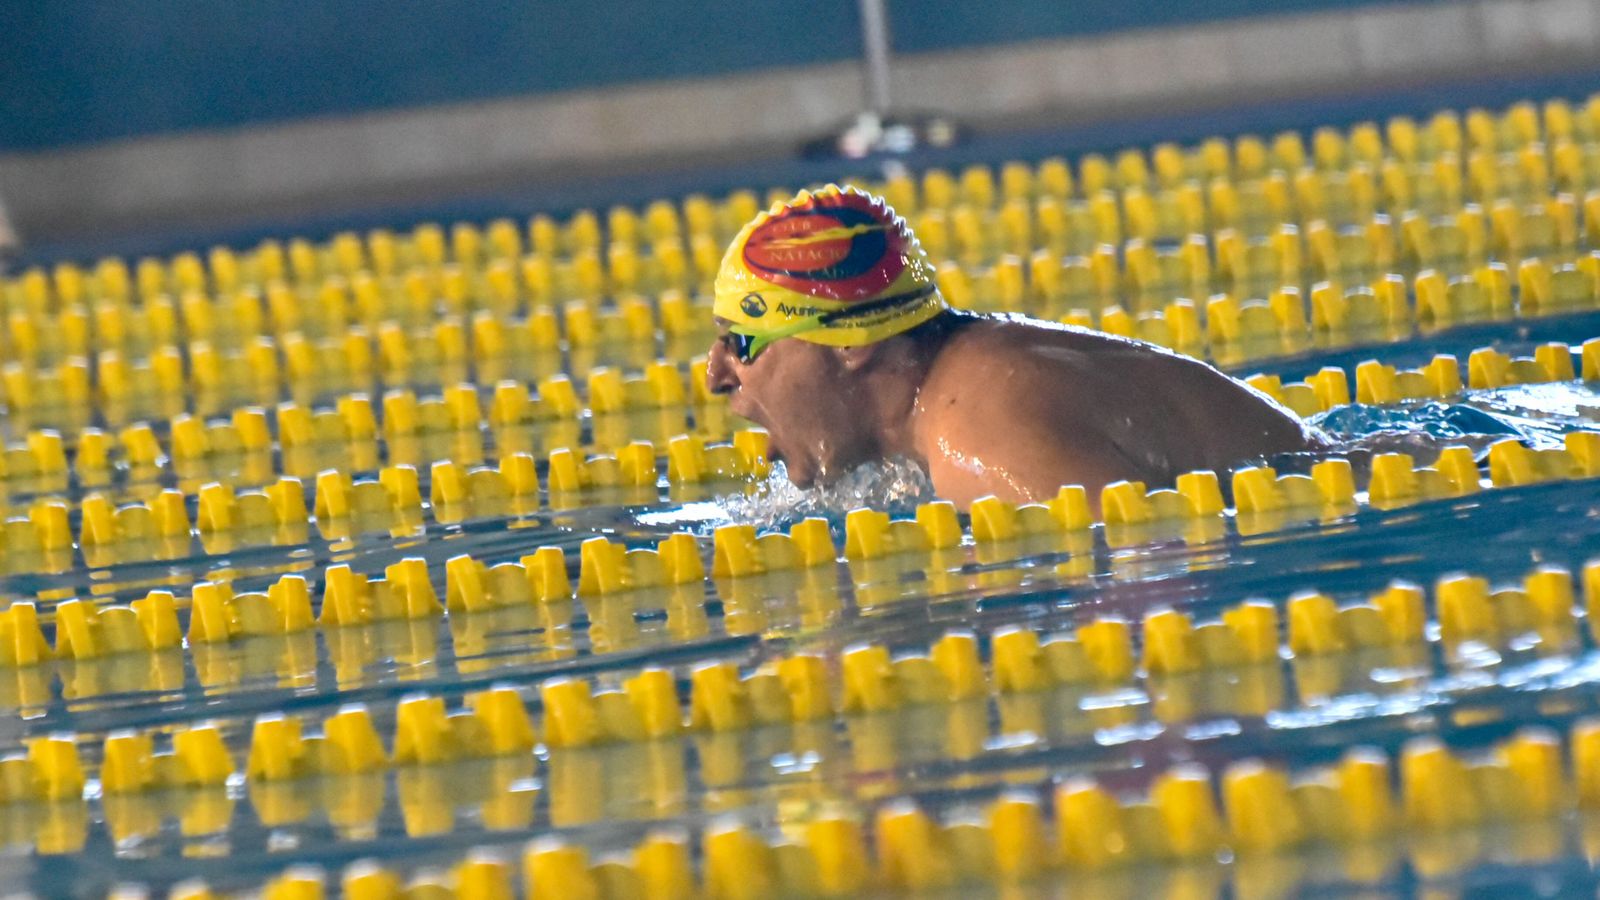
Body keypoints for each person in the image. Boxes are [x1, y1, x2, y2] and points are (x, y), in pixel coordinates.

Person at [705, 184, 1328, 510]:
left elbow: (1152, 586)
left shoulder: (978, 436)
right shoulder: (969, 382)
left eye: (742, 343)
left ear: (848, 342)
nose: (716, 375)